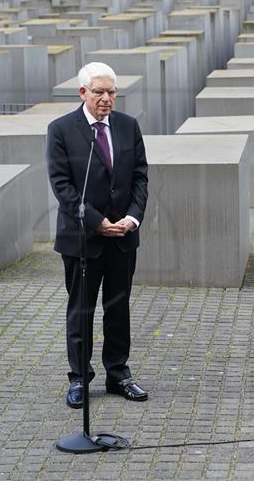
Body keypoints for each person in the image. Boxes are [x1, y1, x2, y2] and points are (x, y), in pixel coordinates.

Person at [47, 62, 149, 408]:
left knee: (118, 309)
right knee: (81, 311)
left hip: (122, 237)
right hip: (83, 240)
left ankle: (118, 374)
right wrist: (96, 221)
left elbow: (140, 177)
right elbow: (62, 186)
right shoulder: (61, 130)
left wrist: (133, 218)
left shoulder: (128, 126)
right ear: (82, 93)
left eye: (111, 93)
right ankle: (79, 378)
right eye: (99, 92)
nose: (106, 99)